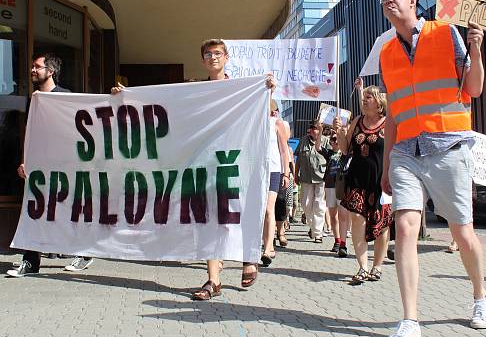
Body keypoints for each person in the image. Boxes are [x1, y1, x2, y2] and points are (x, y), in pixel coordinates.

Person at [376, 0, 486, 337]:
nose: (389, 2)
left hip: (448, 146)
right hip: (406, 152)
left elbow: (473, 89)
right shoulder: (387, 53)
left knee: (462, 232)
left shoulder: (446, 33)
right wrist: (385, 162)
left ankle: (480, 296)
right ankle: (409, 319)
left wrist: (475, 51)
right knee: (405, 229)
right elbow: (393, 112)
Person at [113, 39, 275, 300]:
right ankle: (213, 280)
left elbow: (262, 112)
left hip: (236, 161)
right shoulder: (196, 90)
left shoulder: (242, 88)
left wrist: (267, 90)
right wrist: (128, 95)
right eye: (208, 54)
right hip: (205, 163)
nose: (213, 57)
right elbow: (163, 100)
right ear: (202, 60)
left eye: (217, 53)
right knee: (208, 218)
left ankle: (248, 257)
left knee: (239, 210)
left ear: (227, 57)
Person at [8, 53, 94, 277]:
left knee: (69, 210)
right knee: (34, 211)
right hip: (40, 168)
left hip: (65, 167)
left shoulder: (65, 97)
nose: (33, 70)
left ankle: (84, 252)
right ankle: (30, 260)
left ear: (51, 71)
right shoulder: (34, 99)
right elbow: (33, 135)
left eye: (37, 67)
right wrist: (26, 160)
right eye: (32, 66)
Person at [334, 83, 392, 284]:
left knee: (382, 225)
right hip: (357, 180)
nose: (364, 99)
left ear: (379, 103)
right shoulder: (357, 121)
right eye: (364, 96)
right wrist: (340, 133)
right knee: (357, 218)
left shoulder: (389, 123)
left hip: (381, 181)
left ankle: (377, 266)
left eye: (369, 96)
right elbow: (345, 149)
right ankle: (362, 267)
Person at [261, 99, 290, 267]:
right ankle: (267, 243)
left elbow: (284, 150)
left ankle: (268, 247)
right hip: (257, 171)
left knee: (268, 209)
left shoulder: (276, 123)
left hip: (273, 170)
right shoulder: (253, 123)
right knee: (260, 210)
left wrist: (286, 173)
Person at [295, 122, 328, 243]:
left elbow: (331, 158)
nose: (312, 130)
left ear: (320, 129)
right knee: (305, 204)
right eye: (311, 128)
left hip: (321, 178)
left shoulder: (325, 141)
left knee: (319, 205)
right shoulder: (303, 140)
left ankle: (318, 233)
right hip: (306, 177)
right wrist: (296, 174)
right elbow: (298, 159)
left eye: (314, 128)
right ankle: (314, 227)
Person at [322, 133, 346, 254]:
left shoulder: (345, 152)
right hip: (330, 186)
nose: (336, 141)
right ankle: (337, 240)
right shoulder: (329, 153)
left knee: (343, 215)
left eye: (338, 139)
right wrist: (320, 130)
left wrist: (341, 132)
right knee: (333, 215)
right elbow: (317, 148)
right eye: (333, 139)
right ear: (330, 141)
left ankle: (343, 242)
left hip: (341, 187)